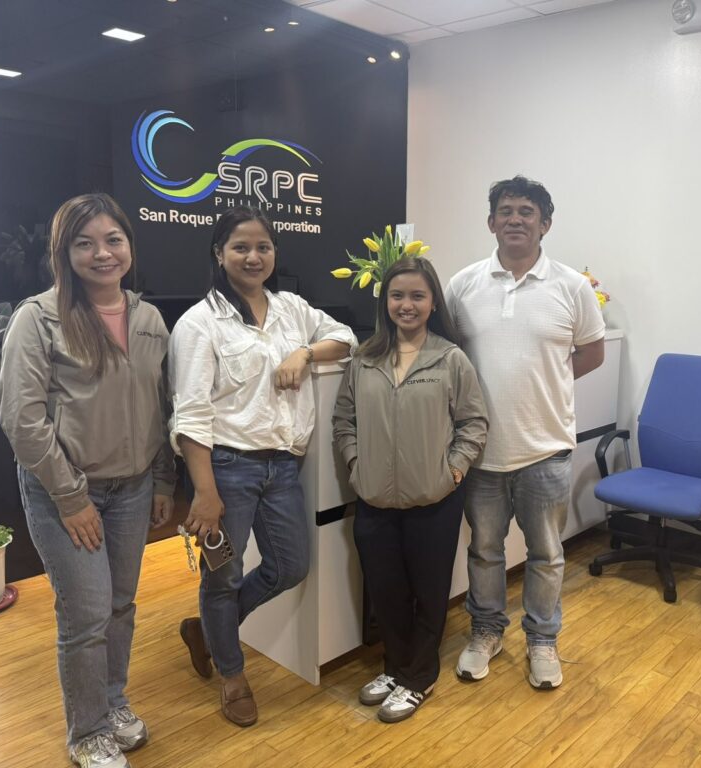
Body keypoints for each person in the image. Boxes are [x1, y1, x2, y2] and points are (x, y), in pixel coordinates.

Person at [0, 193, 176, 768]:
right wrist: (71, 497)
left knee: (120, 605)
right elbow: (21, 419)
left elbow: (161, 407)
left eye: (112, 240)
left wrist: (164, 480)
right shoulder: (38, 317)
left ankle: (113, 701)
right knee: (86, 613)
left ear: (129, 245)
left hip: (134, 488)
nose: (102, 253)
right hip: (65, 492)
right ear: (63, 252)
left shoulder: (149, 319)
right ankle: (87, 730)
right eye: (85, 243)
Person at [169, 206, 355, 727]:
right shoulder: (200, 323)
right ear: (219, 253)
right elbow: (191, 415)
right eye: (241, 247)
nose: (253, 257)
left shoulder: (291, 309)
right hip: (228, 467)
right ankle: (232, 676)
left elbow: (346, 337)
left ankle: (207, 632)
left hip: (283, 467)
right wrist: (204, 492)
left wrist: (304, 352)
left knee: (290, 567)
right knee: (222, 577)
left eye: (263, 247)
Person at [446, 176, 605, 689]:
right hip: (481, 453)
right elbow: (448, 357)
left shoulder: (572, 287)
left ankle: (542, 640)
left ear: (545, 224)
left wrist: (546, 381)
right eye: (507, 211)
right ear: (491, 222)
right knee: (485, 552)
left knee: (546, 555)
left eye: (527, 211)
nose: (516, 219)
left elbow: (592, 352)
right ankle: (486, 631)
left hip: (546, 450)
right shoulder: (462, 285)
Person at [333, 257, 487, 723]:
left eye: (417, 295)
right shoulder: (364, 358)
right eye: (397, 295)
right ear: (385, 301)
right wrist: (356, 464)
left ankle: (419, 677)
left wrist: (453, 470)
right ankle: (395, 668)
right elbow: (344, 420)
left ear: (433, 302)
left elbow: (473, 423)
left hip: (434, 500)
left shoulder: (450, 358)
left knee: (428, 591)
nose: (407, 304)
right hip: (375, 499)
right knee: (386, 591)